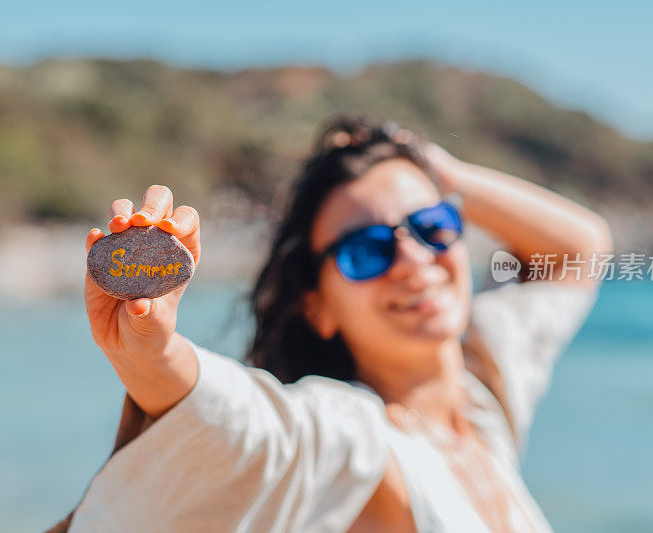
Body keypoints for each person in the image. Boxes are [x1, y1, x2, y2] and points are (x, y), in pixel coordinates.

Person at [49, 116, 612, 532]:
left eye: (433, 224)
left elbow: (582, 249)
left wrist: (434, 167)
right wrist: (150, 354)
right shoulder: (355, 437)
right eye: (365, 250)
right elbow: (254, 431)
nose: (414, 258)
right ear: (317, 306)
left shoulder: (483, 400)